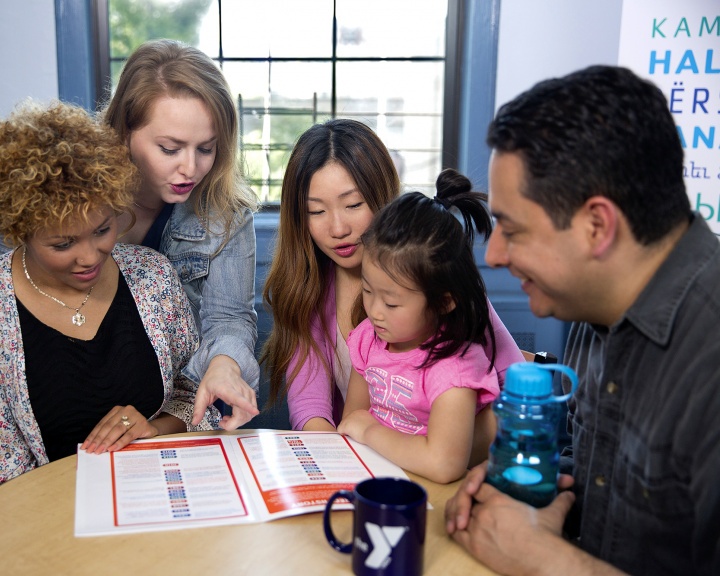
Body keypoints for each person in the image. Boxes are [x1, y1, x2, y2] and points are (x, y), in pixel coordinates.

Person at [444, 65, 720, 576]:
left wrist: (544, 559)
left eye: (512, 228)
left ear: (597, 226)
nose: (496, 254)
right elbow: (603, 474)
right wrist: (516, 481)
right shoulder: (592, 312)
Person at [0, 100, 219, 485]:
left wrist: (156, 428)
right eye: (63, 244)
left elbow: (198, 397)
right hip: (44, 522)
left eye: (102, 230)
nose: (89, 257)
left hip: (162, 497)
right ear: (20, 230)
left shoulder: (152, 276)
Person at [260, 119, 525, 433]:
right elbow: (311, 410)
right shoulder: (307, 291)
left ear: (382, 195)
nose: (337, 229)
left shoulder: (435, 280)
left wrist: (447, 452)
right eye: (316, 211)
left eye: (354, 204)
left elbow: (517, 393)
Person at [102, 39, 259, 430]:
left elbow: (229, 318)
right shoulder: (71, 197)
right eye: (170, 148)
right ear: (123, 133)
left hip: (182, 408)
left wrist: (224, 365)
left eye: (206, 148)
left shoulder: (226, 214)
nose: (190, 168)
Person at [338, 169, 506, 484]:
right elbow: (352, 420)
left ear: (444, 302)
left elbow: (444, 464)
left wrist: (371, 431)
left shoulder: (453, 368)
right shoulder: (368, 340)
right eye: (368, 291)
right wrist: (365, 430)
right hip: (381, 477)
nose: (374, 312)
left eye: (391, 303)